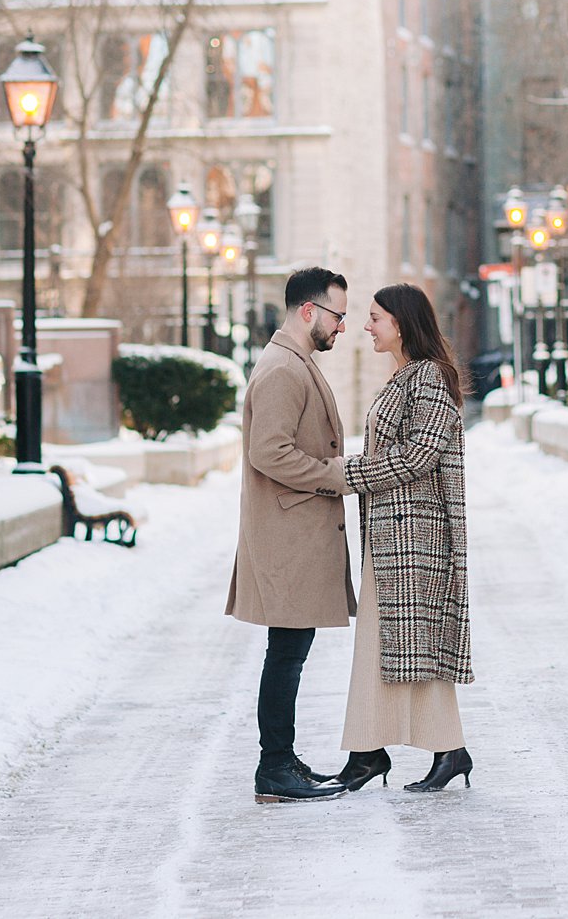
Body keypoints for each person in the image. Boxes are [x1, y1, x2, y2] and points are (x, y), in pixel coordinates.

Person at [330, 282, 475, 794]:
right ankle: (370, 751)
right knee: (382, 645)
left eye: (375, 317)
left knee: (417, 646)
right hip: (391, 534)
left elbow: (420, 456)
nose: (366, 327)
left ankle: (444, 749)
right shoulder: (404, 376)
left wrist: (348, 474)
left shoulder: (429, 378)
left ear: (402, 322)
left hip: (418, 536)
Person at [227, 266, 355, 803]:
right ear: (309, 312)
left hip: (293, 530)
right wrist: (339, 474)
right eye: (338, 316)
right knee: (286, 652)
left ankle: (281, 761)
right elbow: (269, 451)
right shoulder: (283, 368)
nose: (342, 328)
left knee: (289, 650)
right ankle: (273, 768)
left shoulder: (292, 360)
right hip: (287, 534)